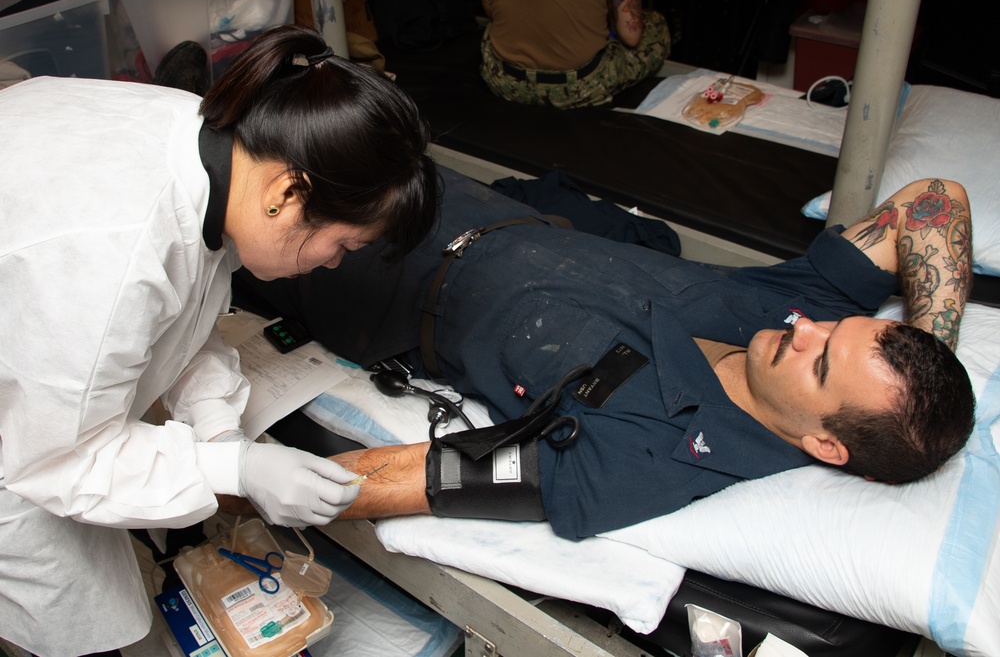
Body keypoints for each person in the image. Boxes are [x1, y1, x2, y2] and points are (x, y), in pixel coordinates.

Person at [232, 168, 976, 542]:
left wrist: (218, 479)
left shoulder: (644, 457)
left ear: (823, 442)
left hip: (370, 272)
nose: (808, 329)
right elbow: (935, 198)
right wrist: (929, 353)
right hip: (468, 203)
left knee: (231, 203)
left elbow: (397, 479)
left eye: (818, 362)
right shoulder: (792, 321)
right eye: (830, 328)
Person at [0, 25, 437, 657]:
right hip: (29, 450)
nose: (336, 265)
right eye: (343, 245)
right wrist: (232, 468)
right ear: (290, 194)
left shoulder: (213, 151)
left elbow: (180, 319)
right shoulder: (114, 253)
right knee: (77, 616)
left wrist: (219, 430)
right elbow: (55, 460)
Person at [478, 0, 670, 108]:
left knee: (493, 27)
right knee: (655, 24)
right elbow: (630, 36)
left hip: (506, 81)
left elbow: (490, 9)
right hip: (582, 87)